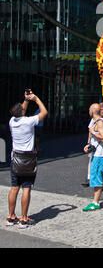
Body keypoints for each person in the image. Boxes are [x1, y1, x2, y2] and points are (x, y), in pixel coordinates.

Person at [7, 90, 48, 228]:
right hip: (28, 159)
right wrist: (35, 99)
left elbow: (21, 111)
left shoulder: (12, 121)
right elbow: (44, 112)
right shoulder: (29, 121)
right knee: (26, 188)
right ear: (22, 112)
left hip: (15, 158)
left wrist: (26, 100)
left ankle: (11, 216)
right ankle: (24, 218)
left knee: (14, 188)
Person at [82, 102, 103, 187]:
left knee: (97, 175)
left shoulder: (100, 122)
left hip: (100, 152)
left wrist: (93, 132)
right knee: (96, 174)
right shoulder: (94, 120)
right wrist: (89, 143)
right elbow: (90, 131)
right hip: (95, 150)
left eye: (89, 109)